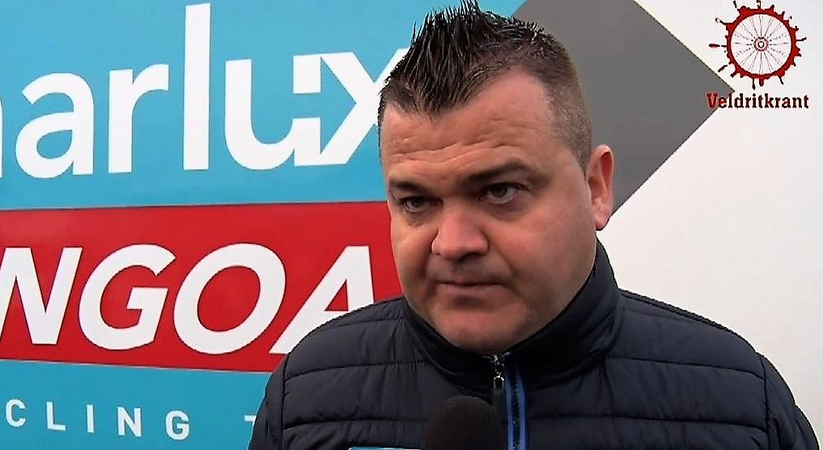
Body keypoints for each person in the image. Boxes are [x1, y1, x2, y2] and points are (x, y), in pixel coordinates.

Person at [248, 1, 818, 449]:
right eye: (417, 202)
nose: (454, 244)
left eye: (500, 191)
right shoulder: (306, 399)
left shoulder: (742, 406)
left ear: (596, 188)